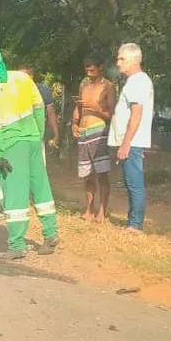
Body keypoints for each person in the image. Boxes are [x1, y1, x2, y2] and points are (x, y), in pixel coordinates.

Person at [0, 46, 59, 259]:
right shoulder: (22, 78)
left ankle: (16, 245)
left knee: (14, 193)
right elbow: (39, 106)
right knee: (40, 186)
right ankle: (50, 234)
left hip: (11, 145)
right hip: (32, 140)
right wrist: (37, 134)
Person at [110, 43, 154, 233]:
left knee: (134, 182)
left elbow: (137, 114)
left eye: (122, 59)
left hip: (131, 142)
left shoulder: (137, 82)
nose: (118, 63)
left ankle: (135, 225)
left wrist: (126, 143)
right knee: (130, 181)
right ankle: (133, 221)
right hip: (133, 141)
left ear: (135, 60)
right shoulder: (138, 81)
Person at [71, 55, 116, 222]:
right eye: (86, 70)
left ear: (101, 67)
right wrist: (74, 123)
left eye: (92, 70)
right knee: (87, 175)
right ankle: (88, 210)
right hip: (83, 133)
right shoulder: (84, 86)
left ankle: (102, 211)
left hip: (99, 131)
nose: (89, 73)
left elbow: (111, 114)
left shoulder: (109, 87)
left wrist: (96, 109)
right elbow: (79, 107)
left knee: (102, 174)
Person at [19, 65, 59, 158]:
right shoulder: (14, 91)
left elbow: (51, 113)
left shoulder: (44, 91)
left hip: (37, 134)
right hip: (18, 135)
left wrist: (56, 134)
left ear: (31, 76)